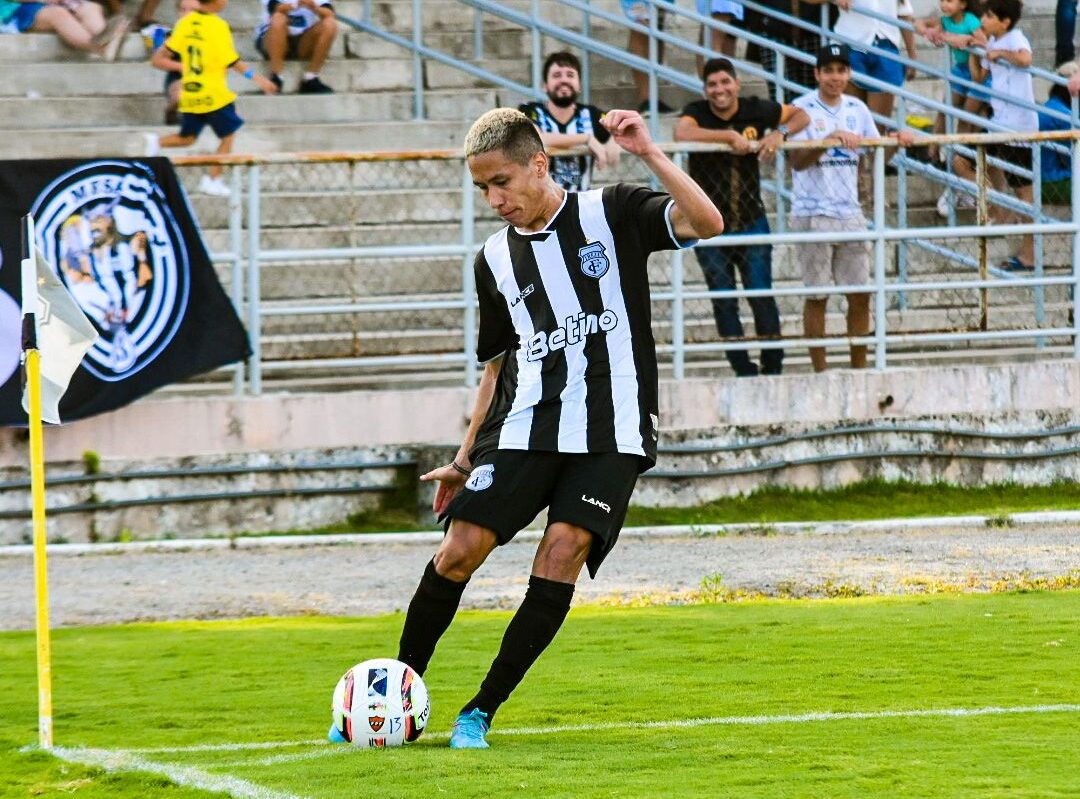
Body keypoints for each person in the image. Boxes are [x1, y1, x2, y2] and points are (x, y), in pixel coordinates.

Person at [371, 107, 722, 750]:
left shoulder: (610, 212)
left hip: (612, 430)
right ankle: (396, 697)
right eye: (482, 188)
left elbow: (707, 222)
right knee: (459, 548)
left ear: (540, 163)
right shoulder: (493, 260)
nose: (494, 199)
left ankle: (479, 711)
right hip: (526, 423)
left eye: (501, 181)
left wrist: (648, 152)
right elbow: (496, 367)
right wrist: (464, 455)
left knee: (561, 550)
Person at [674, 57, 810, 377]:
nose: (719, 90)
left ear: (736, 84)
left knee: (761, 295)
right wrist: (726, 137)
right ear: (705, 89)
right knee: (723, 300)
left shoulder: (755, 108)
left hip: (751, 219)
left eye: (725, 82)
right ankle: (743, 370)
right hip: (709, 227)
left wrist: (780, 134)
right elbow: (681, 133)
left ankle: (773, 368)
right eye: (712, 84)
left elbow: (801, 115)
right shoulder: (697, 111)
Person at [789, 43, 914, 371]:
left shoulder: (857, 108)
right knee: (817, 295)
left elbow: (875, 153)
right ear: (817, 74)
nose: (834, 77)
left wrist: (895, 141)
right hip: (812, 212)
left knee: (860, 294)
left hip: (850, 211)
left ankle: (859, 370)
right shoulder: (801, 108)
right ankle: (821, 372)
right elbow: (796, 161)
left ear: (848, 73)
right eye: (828, 70)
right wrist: (828, 140)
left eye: (841, 70)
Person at [144, 0, 277, 196]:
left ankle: (156, 142)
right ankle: (213, 179)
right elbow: (233, 61)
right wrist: (258, 79)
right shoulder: (218, 26)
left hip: (191, 92)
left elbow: (161, 55)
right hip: (214, 94)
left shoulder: (185, 24)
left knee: (188, 138)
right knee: (228, 135)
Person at [950, 0, 1036, 270]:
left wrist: (999, 53)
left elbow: (1025, 58)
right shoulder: (995, 41)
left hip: (1018, 129)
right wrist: (977, 49)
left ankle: (1028, 254)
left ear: (1004, 21)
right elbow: (979, 77)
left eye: (988, 16)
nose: (983, 20)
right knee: (961, 162)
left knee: (1025, 193)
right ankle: (1001, 213)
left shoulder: (1014, 38)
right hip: (998, 123)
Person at [518, 51, 620, 192]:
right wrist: (586, 139)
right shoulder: (530, 110)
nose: (564, 80)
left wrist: (613, 140)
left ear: (579, 85)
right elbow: (536, 138)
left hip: (581, 205)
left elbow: (614, 157)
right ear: (545, 85)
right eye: (556, 75)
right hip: (541, 207)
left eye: (570, 75)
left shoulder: (592, 115)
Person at [803, 0, 918, 123]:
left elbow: (904, 14)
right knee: (852, 121)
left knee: (878, 125)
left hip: (886, 48)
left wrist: (912, 56)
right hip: (851, 44)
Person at [254, 0, 337, 94]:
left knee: (330, 23)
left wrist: (314, 7)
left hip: (302, 41)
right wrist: (296, 4)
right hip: (272, 39)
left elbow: (330, 13)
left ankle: (310, 78)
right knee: (278, 17)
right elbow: (274, 8)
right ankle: (276, 77)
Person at [0, 0, 127, 60]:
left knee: (90, 8)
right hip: (15, 9)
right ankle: (99, 47)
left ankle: (107, 37)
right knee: (58, 14)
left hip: (52, 3)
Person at [1039, 61, 1075, 206]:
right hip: (1051, 182)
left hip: (1041, 178)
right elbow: (1073, 159)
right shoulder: (1064, 115)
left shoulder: (1051, 105)